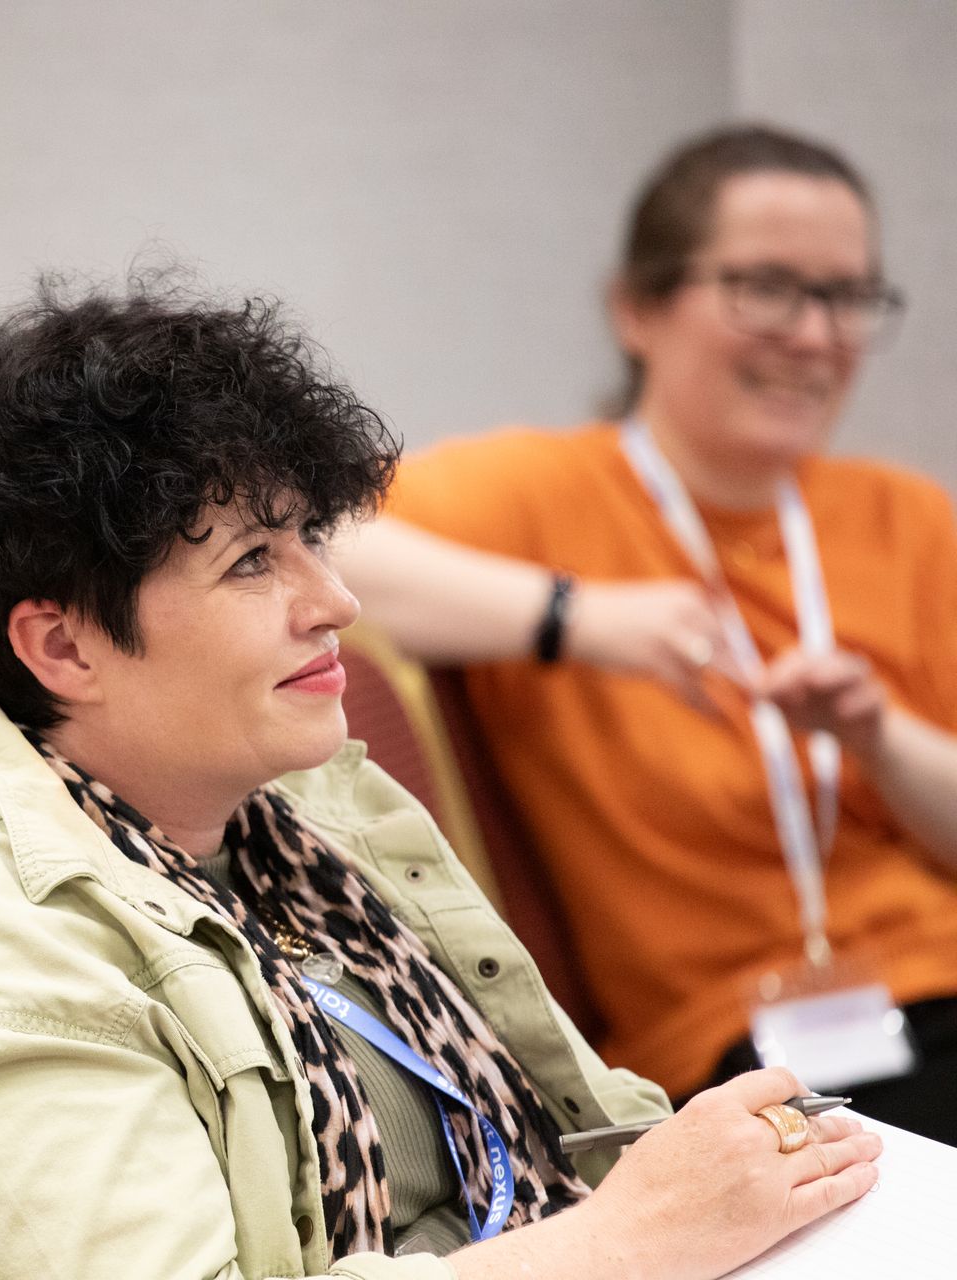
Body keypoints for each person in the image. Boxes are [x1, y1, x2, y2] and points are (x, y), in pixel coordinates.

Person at [0, 281, 880, 1280]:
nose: (335, 599)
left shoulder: (279, 817)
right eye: (253, 562)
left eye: (310, 534)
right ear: (62, 649)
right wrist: (616, 1242)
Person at [336, 124, 957, 1139]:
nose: (814, 334)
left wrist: (879, 735)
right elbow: (308, 537)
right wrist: (572, 615)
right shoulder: (544, 493)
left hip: (934, 992)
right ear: (637, 307)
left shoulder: (907, 516)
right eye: (766, 286)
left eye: (848, 296)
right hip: (736, 1050)